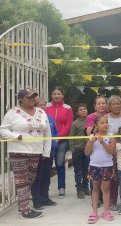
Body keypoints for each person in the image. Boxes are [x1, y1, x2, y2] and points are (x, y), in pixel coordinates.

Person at [0, 89, 51, 218]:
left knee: (30, 180)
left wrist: (46, 151)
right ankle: (25, 210)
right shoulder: (13, 113)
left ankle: (21, 204)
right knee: (21, 181)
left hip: (36, 151)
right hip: (18, 151)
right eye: (29, 97)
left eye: (34, 97)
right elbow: (3, 130)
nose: (33, 99)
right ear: (21, 99)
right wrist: (16, 136)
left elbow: (47, 133)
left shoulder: (41, 112)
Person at [85, 116, 116, 223]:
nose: (105, 125)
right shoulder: (92, 136)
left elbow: (112, 151)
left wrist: (103, 142)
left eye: (106, 122)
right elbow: (87, 152)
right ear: (96, 125)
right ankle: (94, 212)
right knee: (95, 188)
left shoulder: (111, 136)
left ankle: (106, 211)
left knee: (106, 189)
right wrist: (91, 142)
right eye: (102, 123)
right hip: (94, 166)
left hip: (107, 166)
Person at [45, 86, 73, 196]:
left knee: (60, 163)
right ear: (51, 95)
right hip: (47, 139)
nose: (56, 96)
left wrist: (58, 137)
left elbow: (69, 124)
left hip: (61, 140)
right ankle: (45, 189)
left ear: (63, 95)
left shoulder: (68, 108)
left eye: (59, 94)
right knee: (46, 164)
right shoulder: (46, 107)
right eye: (54, 94)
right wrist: (51, 138)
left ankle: (61, 187)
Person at [31, 98, 58, 210]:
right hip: (37, 151)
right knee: (37, 177)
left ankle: (45, 197)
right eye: (40, 105)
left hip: (49, 151)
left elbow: (55, 133)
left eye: (44, 105)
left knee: (46, 176)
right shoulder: (33, 119)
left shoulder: (49, 118)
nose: (43, 107)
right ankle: (37, 200)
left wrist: (55, 144)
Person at [69, 103, 90, 199]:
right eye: (81, 110)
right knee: (78, 171)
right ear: (77, 113)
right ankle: (79, 189)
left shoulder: (90, 121)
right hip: (78, 150)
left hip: (88, 150)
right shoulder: (75, 123)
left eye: (84, 109)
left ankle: (86, 188)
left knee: (86, 170)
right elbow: (71, 137)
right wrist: (73, 149)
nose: (83, 111)